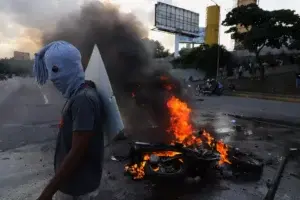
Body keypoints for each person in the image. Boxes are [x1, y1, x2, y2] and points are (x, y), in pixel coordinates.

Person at [33, 41, 104, 200]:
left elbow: (77, 153)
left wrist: (47, 193)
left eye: (55, 70)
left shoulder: (83, 100)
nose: (52, 78)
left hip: (77, 191)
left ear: (70, 67)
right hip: (73, 186)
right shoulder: (81, 93)